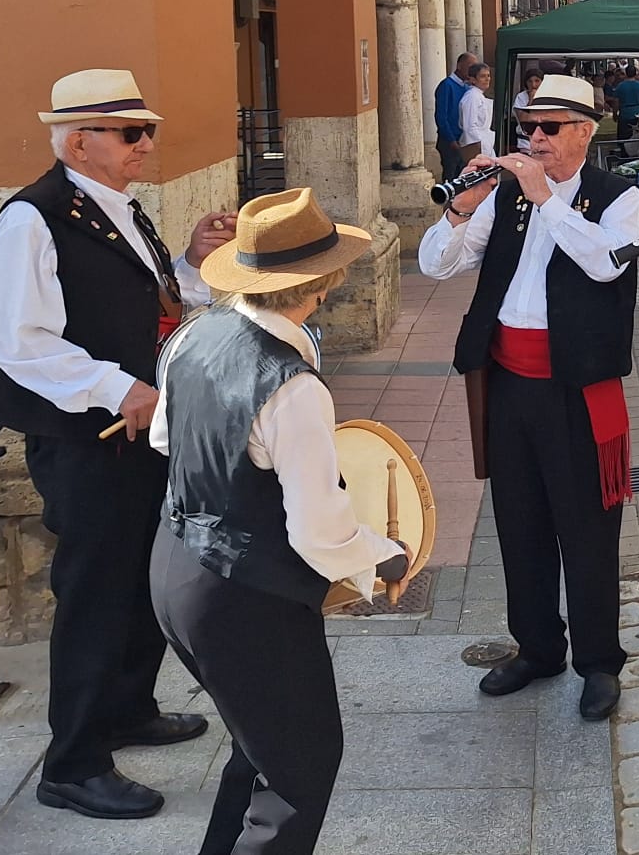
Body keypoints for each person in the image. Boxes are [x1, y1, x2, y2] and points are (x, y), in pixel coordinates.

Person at [0, 69, 238, 820]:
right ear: (77, 139)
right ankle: (74, 762)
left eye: (146, 130)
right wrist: (118, 388)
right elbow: (19, 341)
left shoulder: (117, 208)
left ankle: (127, 708)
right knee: (94, 595)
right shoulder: (32, 219)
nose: (147, 144)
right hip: (89, 437)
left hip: (140, 430)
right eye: (131, 133)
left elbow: (154, 300)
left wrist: (189, 259)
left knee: (139, 581)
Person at [150, 186, 407, 855]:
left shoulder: (192, 335)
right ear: (321, 284)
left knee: (259, 747)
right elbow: (319, 532)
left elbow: (163, 439)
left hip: (174, 566)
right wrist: (384, 555)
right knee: (299, 770)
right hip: (245, 594)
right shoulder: (290, 383)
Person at [417, 75, 639, 721]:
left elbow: (606, 263)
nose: (535, 139)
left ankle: (599, 661)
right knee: (519, 524)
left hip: (575, 390)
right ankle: (538, 646)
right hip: (509, 384)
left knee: (588, 531)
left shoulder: (615, 197)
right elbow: (438, 265)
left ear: (584, 132)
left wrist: (548, 199)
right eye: (528, 128)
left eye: (549, 128)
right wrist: (462, 208)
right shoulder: (508, 196)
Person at [434, 52, 478, 180]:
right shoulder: (446, 85)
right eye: (470, 66)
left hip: (463, 140)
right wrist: (451, 140)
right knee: (451, 175)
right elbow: (441, 116)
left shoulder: (466, 87)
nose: (472, 70)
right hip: (450, 141)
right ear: (459, 65)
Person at [458, 61, 496, 161]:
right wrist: (477, 144)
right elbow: (469, 125)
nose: (487, 79)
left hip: (485, 142)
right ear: (473, 79)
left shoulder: (479, 95)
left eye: (488, 75)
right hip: (477, 145)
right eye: (482, 76)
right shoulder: (472, 96)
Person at [613, 63, 639, 141]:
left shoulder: (620, 86)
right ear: (635, 74)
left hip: (625, 114)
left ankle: (625, 152)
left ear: (625, 73)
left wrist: (615, 114)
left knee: (624, 138)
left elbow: (616, 102)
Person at [511, 68, 544, 152]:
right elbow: (522, 119)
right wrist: (531, 100)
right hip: (525, 142)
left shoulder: (547, 96)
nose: (533, 84)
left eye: (537, 81)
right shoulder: (521, 97)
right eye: (530, 81)